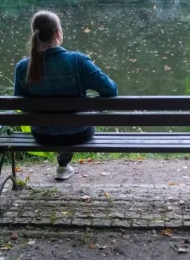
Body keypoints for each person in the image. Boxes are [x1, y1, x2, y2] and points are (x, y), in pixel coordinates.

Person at [14, 10, 118, 180]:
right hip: (79, 132)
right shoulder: (78, 61)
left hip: (42, 135)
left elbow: (20, 105)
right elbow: (111, 90)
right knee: (76, 120)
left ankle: (63, 165)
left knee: (59, 122)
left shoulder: (23, 67)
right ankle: (63, 165)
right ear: (58, 33)